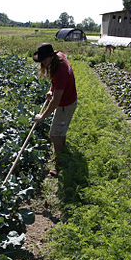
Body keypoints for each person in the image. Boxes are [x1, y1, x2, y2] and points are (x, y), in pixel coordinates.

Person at [33, 43, 77, 177]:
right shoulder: (59, 57)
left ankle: (59, 165)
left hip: (65, 104)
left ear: (50, 57)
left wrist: (42, 117)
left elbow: (55, 102)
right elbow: (56, 85)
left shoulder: (60, 71)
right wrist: (51, 90)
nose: (43, 64)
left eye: (44, 60)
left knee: (54, 134)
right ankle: (61, 155)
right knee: (60, 131)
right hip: (68, 100)